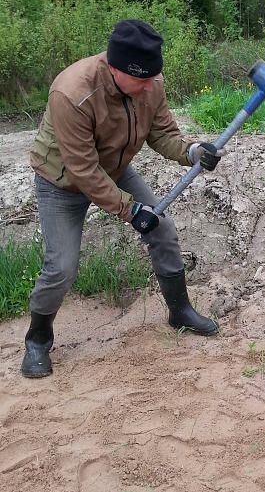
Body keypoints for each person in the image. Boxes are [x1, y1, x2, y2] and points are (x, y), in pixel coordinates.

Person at [21, 19, 221, 379]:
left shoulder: (149, 82)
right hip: (62, 181)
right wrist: (131, 210)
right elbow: (83, 170)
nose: (149, 87)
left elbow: (162, 134)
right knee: (62, 266)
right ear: (115, 67)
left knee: (163, 230)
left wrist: (191, 151)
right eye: (141, 80)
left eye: (152, 79)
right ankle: (38, 339)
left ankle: (180, 311)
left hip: (113, 168)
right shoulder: (72, 92)